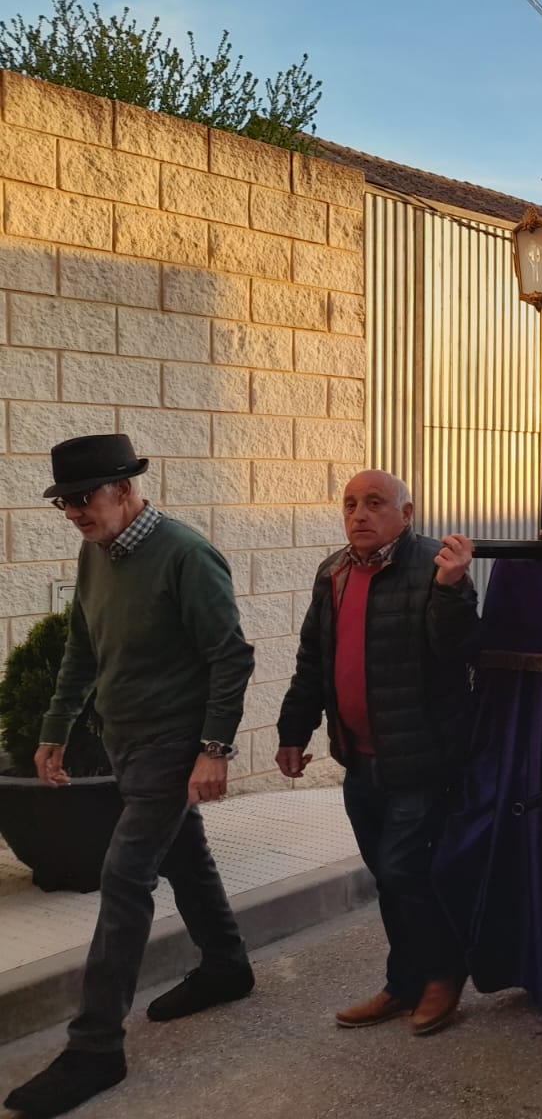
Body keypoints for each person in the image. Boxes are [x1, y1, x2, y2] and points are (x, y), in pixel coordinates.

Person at [5, 436, 256, 1119]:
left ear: (124, 489)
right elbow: (82, 648)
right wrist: (55, 726)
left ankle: (95, 1046)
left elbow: (230, 659)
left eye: (83, 500)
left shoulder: (186, 555)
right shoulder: (97, 554)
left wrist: (214, 750)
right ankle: (227, 965)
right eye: (65, 504)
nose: (74, 514)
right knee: (186, 854)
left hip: (174, 746)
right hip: (127, 744)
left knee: (124, 875)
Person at [276, 471, 480, 1036]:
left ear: (406, 513)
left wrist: (451, 588)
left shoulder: (436, 565)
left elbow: (457, 650)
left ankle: (443, 972)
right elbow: (312, 661)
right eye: (350, 504)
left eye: (374, 503)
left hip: (420, 758)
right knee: (386, 875)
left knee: (403, 868)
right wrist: (293, 732)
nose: (359, 514)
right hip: (358, 759)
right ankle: (403, 982)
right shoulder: (334, 571)